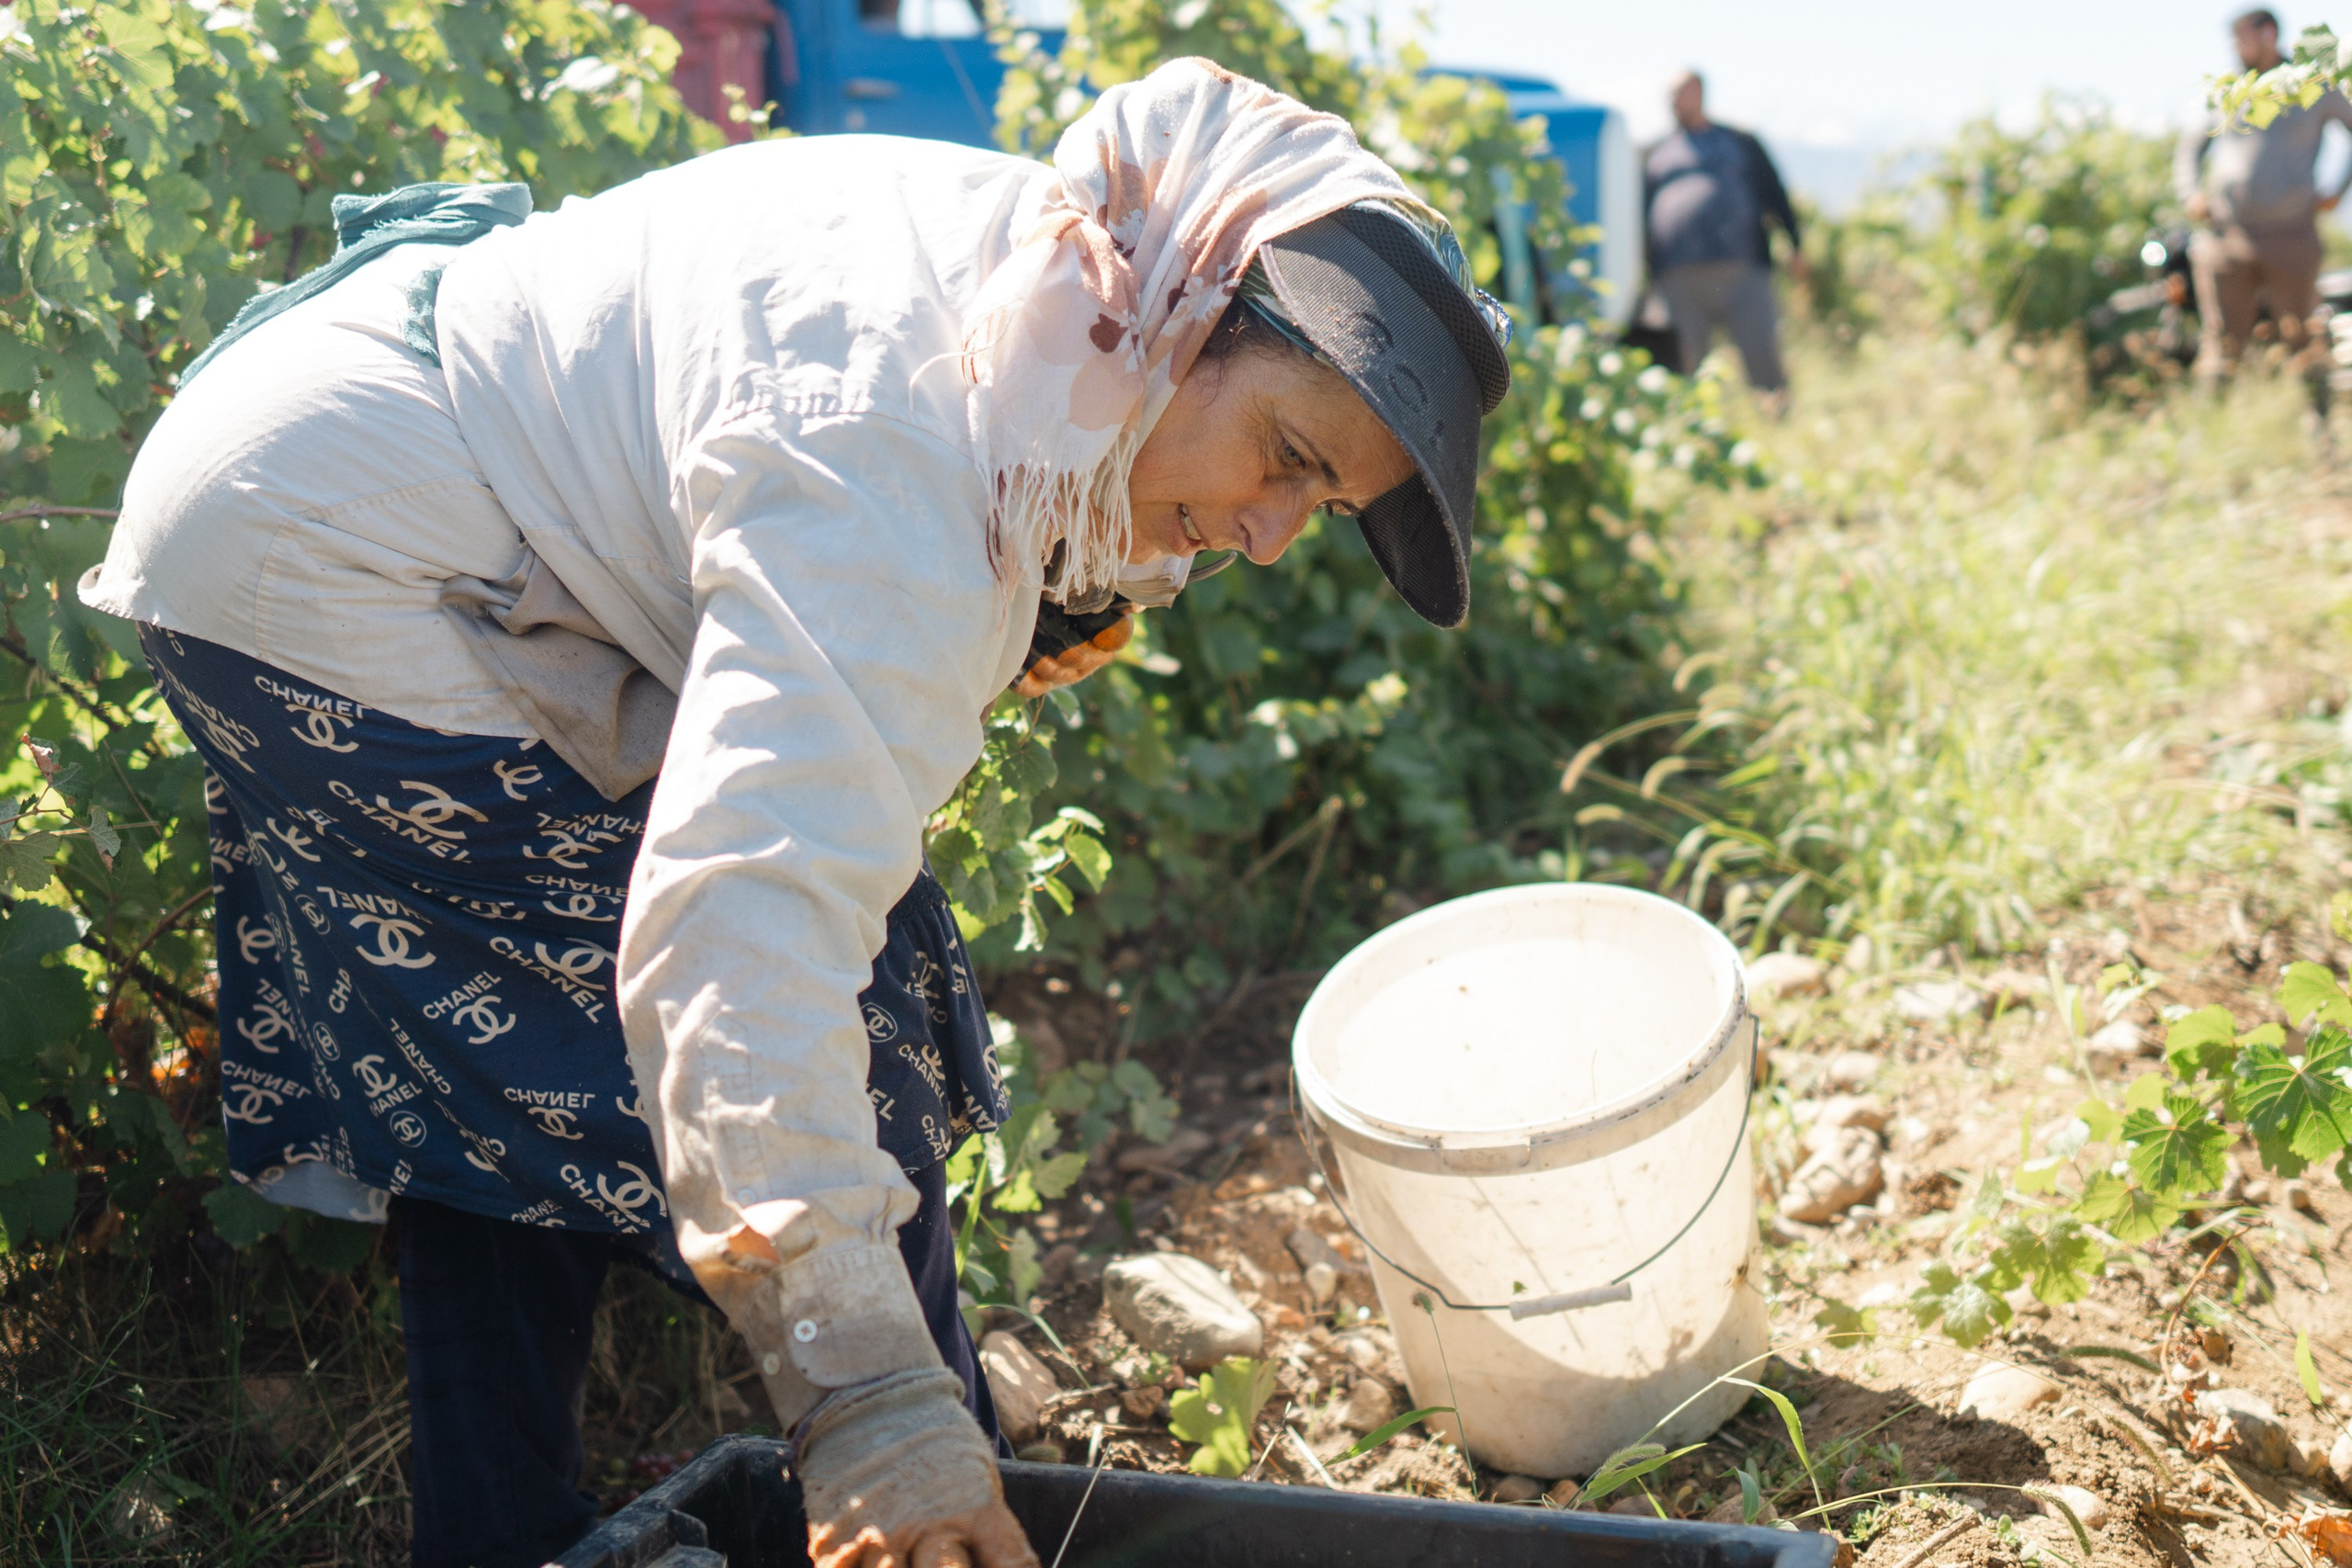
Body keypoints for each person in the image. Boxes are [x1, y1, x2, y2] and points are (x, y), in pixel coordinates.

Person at [80, 57, 1512, 1568]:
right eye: (1287, 457)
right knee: (833, 999)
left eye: (1324, 507)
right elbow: (736, 931)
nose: (1274, 537)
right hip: (340, 567)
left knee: (512, 1047)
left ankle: (501, 1531)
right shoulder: (902, 451)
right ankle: (926, 1495)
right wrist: (869, 1393)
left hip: (340, 474)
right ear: (1189, 307)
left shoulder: (1047, 298)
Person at [2176, 7, 2352, 388]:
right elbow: (2189, 149)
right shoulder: (2228, 91)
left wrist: (2338, 191)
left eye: (2242, 38)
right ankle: (2211, 434)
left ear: (2268, 34)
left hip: (2291, 233)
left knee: (2302, 339)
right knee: (2222, 343)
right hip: (2228, 234)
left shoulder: (2312, 86)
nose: (2235, 48)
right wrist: (2191, 193)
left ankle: (2322, 439)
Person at [1641, 70, 1805, 400]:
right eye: (1670, 95)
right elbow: (1642, 209)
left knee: (1761, 351)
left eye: (1680, 92)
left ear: (1699, 92)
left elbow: (1774, 193)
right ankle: (1689, 428)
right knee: (1683, 364)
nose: (1673, 101)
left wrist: (1795, 246)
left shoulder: (1740, 142)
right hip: (1679, 277)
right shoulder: (1656, 152)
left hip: (1742, 269)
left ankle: (1775, 414)